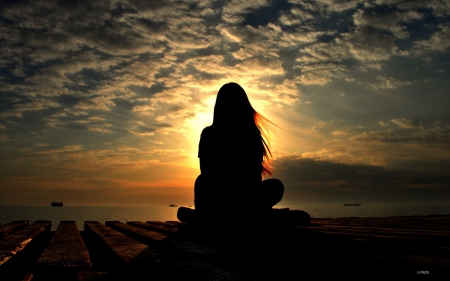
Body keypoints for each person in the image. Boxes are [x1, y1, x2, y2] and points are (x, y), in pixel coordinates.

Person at [177, 83, 284, 224]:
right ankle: (252, 216)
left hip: (226, 202)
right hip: (234, 201)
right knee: (275, 187)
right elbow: (253, 177)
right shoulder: (247, 134)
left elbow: (206, 171)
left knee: (201, 183)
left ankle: (215, 218)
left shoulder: (247, 134)